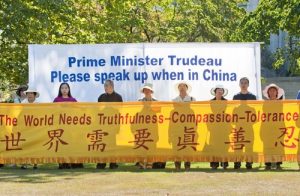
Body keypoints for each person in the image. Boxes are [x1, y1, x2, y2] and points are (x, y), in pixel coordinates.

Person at [137, 83, 166, 169]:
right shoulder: (139, 102)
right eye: (145, 90)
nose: (146, 91)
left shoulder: (156, 102)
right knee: (142, 145)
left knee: (152, 146)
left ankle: (150, 163)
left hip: (153, 127)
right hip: (142, 127)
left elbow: (159, 114)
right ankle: (141, 164)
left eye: (148, 90)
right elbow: (136, 114)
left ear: (151, 91)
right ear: (143, 91)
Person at [53, 83, 81, 169]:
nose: (64, 90)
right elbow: (52, 112)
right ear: (60, 90)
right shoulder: (56, 100)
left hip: (70, 127)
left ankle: (70, 162)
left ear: (68, 89)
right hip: (60, 126)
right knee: (60, 144)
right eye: (62, 88)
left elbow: (78, 112)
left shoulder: (73, 100)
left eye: (66, 88)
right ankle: (61, 163)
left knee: (70, 144)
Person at [97, 79, 122, 169]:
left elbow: (120, 112)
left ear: (112, 86)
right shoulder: (101, 97)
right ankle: (102, 163)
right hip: (103, 125)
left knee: (112, 144)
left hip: (113, 125)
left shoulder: (118, 97)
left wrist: (118, 126)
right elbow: (98, 110)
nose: (105, 88)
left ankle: (113, 163)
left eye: (107, 86)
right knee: (103, 144)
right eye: (104, 86)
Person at [233, 77, 256, 169]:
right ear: (239, 85)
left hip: (249, 126)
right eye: (242, 83)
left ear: (248, 85)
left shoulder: (253, 97)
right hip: (239, 126)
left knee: (249, 145)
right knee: (238, 145)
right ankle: (237, 162)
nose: (243, 85)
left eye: (245, 83)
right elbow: (233, 111)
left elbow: (255, 111)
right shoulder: (235, 97)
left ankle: (249, 162)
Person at [172, 81, 196, 171]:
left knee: (187, 147)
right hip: (177, 127)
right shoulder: (174, 100)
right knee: (177, 147)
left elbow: (195, 112)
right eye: (180, 86)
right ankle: (177, 166)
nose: (182, 88)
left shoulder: (192, 99)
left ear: (186, 88)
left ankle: (187, 166)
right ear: (178, 89)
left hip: (189, 126)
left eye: (183, 86)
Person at [262, 83, 285, 170]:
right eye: (270, 91)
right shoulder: (264, 104)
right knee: (267, 144)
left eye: (274, 90)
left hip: (279, 127)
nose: (272, 92)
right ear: (268, 93)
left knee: (278, 144)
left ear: (276, 93)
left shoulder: (281, 103)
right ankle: (268, 163)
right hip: (267, 127)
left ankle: (278, 163)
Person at [209, 84, 229, 170]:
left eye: (221, 91)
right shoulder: (210, 102)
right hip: (214, 126)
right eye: (218, 91)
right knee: (214, 145)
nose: (220, 93)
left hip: (224, 126)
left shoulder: (227, 102)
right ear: (215, 92)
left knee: (224, 145)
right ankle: (214, 164)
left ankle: (224, 163)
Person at [21, 88, 39, 169]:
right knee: (25, 144)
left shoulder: (39, 104)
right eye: (28, 93)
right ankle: (24, 163)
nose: (30, 95)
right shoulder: (23, 103)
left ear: (35, 95)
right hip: (25, 127)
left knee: (35, 145)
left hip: (36, 127)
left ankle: (35, 163)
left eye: (32, 93)